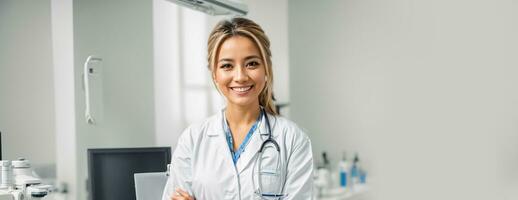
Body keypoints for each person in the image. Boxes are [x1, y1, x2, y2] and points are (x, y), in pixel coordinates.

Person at [162, 17, 313, 200]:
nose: (240, 76)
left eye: (252, 64)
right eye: (227, 66)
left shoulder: (293, 139)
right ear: (215, 74)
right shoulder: (192, 140)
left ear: (266, 69)